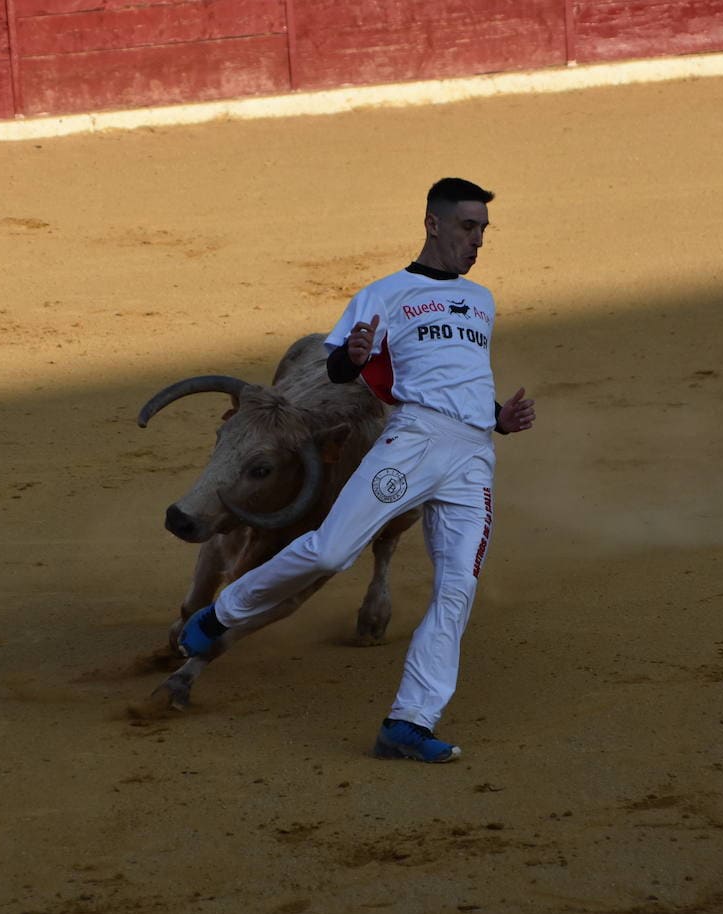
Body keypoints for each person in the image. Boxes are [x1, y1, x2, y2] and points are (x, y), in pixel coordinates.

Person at [178, 177, 536, 763]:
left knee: (456, 590)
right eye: (469, 228)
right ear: (434, 224)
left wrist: (499, 417)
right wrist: (354, 355)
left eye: (484, 231)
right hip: (413, 443)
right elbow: (342, 371)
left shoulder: (482, 300)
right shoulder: (383, 293)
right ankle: (220, 615)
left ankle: (409, 722)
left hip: (473, 458)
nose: (478, 241)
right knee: (329, 552)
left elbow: (457, 380)